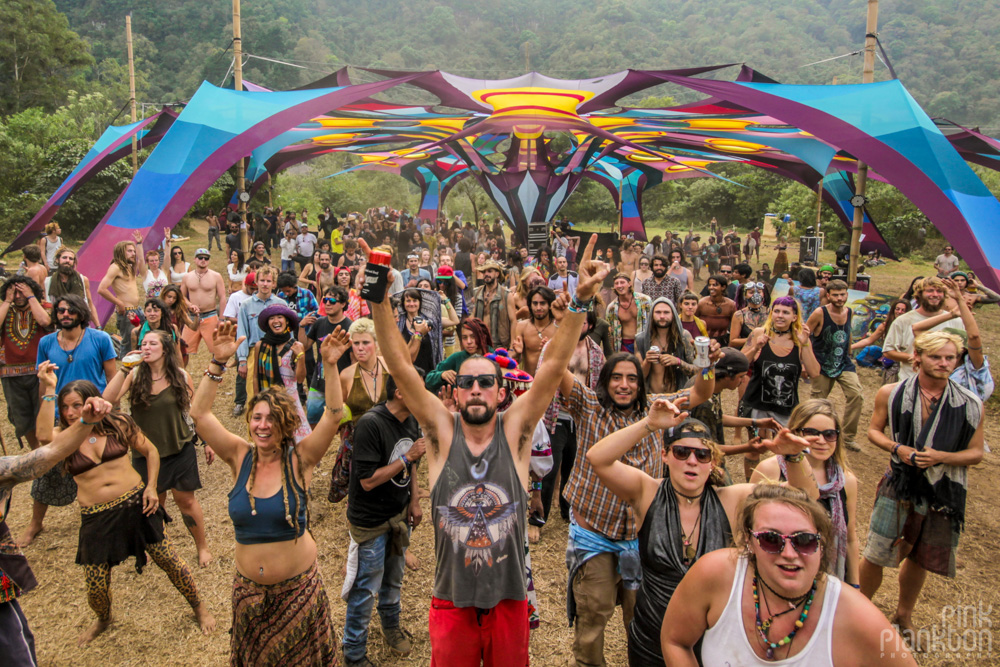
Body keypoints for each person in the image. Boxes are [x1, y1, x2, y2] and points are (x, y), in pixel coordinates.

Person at [365, 233, 607, 665]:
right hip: (451, 601)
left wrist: (580, 303)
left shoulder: (515, 432)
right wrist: (379, 301)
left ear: (500, 393)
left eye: (486, 382)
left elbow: (551, 367)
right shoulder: (440, 433)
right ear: (455, 393)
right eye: (468, 382)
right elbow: (401, 367)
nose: (476, 388)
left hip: (508, 600)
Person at [587, 408, 817, 665]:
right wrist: (649, 424)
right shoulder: (647, 492)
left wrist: (794, 455)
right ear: (665, 456)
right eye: (681, 452)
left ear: (713, 462)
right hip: (652, 638)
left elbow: (804, 499)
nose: (692, 461)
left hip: (712, 641)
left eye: (702, 454)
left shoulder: (732, 500)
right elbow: (598, 458)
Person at [190, 321, 351, 665]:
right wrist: (217, 363)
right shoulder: (239, 456)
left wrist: (332, 366)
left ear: (286, 424)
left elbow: (334, 417)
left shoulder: (301, 460)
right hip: (248, 596)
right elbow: (199, 414)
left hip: (299, 594)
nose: (263, 425)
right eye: (257, 418)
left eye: (272, 419)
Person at [556, 343, 718, 666]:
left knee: (644, 621)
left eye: (632, 378)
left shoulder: (658, 409)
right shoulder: (588, 405)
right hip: (595, 538)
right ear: (604, 381)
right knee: (592, 619)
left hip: (643, 541)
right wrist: (560, 326)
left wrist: (705, 363)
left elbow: (701, 392)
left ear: (641, 384)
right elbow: (555, 367)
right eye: (616, 377)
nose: (624, 385)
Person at [35, 370, 214, 645]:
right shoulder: (64, 437)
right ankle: (104, 618)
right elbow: (43, 435)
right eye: (65, 407)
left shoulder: (117, 423)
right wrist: (48, 388)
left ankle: (199, 607)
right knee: (95, 585)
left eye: (77, 405)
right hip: (95, 516)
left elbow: (151, 451)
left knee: (170, 561)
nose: (71, 412)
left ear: (92, 402)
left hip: (135, 504)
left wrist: (152, 486)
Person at [662, 484, 916, 666]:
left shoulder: (857, 618)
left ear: (821, 545)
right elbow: (675, 640)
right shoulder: (715, 575)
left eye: (804, 541)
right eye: (771, 539)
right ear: (749, 542)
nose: (789, 553)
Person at [859, 331, 984, 646]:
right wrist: (897, 448)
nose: (944, 363)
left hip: (943, 490)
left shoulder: (970, 403)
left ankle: (903, 615)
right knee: (876, 551)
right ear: (918, 356)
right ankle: (859, 611)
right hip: (899, 482)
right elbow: (874, 430)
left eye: (950, 358)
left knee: (920, 556)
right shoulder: (891, 393)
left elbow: (977, 453)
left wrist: (943, 457)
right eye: (936, 357)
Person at [104, 327, 212, 567]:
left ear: (166, 349)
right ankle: (163, 546)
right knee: (155, 502)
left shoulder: (181, 376)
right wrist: (124, 368)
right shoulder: (134, 375)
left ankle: (202, 547)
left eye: (152, 344)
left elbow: (193, 413)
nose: (146, 347)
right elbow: (109, 399)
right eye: (144, 343)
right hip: (145, 453)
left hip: (179, 447)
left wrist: (205, 442)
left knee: (186, 501)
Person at [342, 373, 425, 666]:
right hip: (371, 522)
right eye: (418, 388)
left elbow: (413, 465)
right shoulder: (371, 424)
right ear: (401, 392)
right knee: (366, 588)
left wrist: (413, 501)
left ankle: (391, 626)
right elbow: (366, 482)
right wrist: (405, 459)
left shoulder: (412, 419)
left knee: (394, 578)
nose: (423, 394)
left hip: (398, 516)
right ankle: (353, 653)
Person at [24, 295, 117, 546]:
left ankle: (105, 520)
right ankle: (35, 524)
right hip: (60, 417)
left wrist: (108, 412)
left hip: (94, 415)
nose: (65, 314)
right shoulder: (46, 342)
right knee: (48, 468)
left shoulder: (100, 339)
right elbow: (44, 383)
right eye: (61, 310)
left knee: (98, 468)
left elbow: (112, 379)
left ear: (81, 312)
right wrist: (46, 411)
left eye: (70, 310)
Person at [751, 399, 860, 584]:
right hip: (778, 573)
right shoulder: (770, 470)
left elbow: (850, 538)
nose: (821, 441)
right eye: (811, 433)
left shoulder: (845, 480)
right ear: (794, 432)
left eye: (829, 434)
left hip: (828, 577)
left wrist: (855, 585)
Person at [741, 296, 820, 478]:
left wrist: (805, 343)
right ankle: (750, 484)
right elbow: (739, 364)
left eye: (786, 312)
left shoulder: (799, 339)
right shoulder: (760, 333)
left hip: (786, 407)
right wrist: (755, 348)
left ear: (794, 316)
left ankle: (787, 485)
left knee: (789, 450)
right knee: (756, 448)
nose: (780, 315)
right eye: (776, 311)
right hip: (756, 403)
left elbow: (814, 372)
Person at [327, 318, 389, 504]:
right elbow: (339, 416)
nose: (360, 348)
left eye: (366, 343)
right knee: (361, 493)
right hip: (358, 445)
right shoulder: (346, 375)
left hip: (388, 439)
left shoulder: (390, 366)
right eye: (356, 343)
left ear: (376, 345)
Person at [803, 279, 864, 451]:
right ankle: (812, 433)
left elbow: (848, 332)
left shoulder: (849, 311)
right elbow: (804, 336)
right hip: (821, 362)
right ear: (828, 296)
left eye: (842, 294)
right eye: (835, 295)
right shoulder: (819, 313)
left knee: (856, 395)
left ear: (847, 294)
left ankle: (848, 437)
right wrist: (804, 362)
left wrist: (850, 353)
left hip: (844, 362)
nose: (839, 298)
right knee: (818, 402)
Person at [0, 276, 51, 452]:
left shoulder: (43, 308)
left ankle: (47, 450)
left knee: (43, 411)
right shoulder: (5, 310)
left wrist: (31, 297)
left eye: (22, 290)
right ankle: (35, 451)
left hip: (40, 371)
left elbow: (45, 322)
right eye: (14, 291)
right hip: (10, 373)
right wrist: (7, 300)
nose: (18, 295)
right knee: (21, 416)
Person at [882, 277, 964, 382]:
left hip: (943, 382)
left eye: (939, 291)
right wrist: (919, 358)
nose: (935, 294)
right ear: (919, 294)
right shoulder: (903, 320)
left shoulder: (955, 320)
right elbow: (888, 351)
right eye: (930, 291)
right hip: (910, 380)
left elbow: (961, 352)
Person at [252, 304, 310, 443]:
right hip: (267, 398)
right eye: (272, 318)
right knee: (271, 439)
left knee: (293, 441)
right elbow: (255, 376)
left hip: (289, 400)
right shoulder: (261, 346)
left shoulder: (296, 346)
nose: (276, 321)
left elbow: (300, 379)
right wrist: (256, 401)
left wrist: (300, 357)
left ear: (287, 322)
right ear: (268, 323)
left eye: (279, 317)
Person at [235, 266, 285, 417]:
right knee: (254, 392)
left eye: (268, 281)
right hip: (253, 352)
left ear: (274, 284)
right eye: (262, 280)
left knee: (278, 394)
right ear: (256, 282)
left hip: (277, 352)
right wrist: (242, 360)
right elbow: (242, 333)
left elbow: (288, 331)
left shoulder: (280, 303)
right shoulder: (246, 305)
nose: (265, 284)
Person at [303, 286, 353, 426]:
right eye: (325, 300)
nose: (327, 304)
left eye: (332, 300)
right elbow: (305, 345)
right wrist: (302, 326)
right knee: (312, 419)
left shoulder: (350, 327)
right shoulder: (319, 323)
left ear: (343, 304)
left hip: (341, 383)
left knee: (344, 422)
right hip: (318, 382)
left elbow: (354, 360)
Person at [97, 234, 147, 360]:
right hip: (127, 311)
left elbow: (141, 260)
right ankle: (126, 367)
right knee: (128, 342)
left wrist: (139, 244)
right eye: (129, 251)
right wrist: (119, 303)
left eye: (133, 251)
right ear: (121, 252)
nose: (133, 254)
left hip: (137, 309)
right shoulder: (115, 267)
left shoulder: (129, 267)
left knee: (142, 338)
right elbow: (101, 289)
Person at [635, 297, 695, 394]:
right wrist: (647, 361)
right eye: (658, 312)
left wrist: (678, 361)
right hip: (651, 397)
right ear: (651, 315)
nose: (662, 316)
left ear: (673, 315)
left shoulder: (683, 337)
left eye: (666, 312)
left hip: (678, 396)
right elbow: (637, 377)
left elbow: (696, 371)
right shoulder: (640, 340)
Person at [180, 248, 227, 359]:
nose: (203, 260)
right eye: (200, 258)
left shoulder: (216, 276)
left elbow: (222, 297)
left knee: (217, 350)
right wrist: (190, 305)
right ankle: (181, 374)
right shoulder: (187, 277)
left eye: (206, 258)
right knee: (183, 350)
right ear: (195, 259)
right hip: (192, 317)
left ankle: (215, 373)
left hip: (210, 315)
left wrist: (221, 319)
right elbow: (181, 296)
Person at [424, 318, 493, 394]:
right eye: (464, 338)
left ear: (483, 336)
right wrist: (441, 375)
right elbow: (429, 380)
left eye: (473, 336)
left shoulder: (493, 357)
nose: (469, 342)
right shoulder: (456, 358)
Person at [851, 299, 911, 384]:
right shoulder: (885, 325)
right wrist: (850, 347)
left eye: (903, 310)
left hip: (905, 361)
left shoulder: (912, 326)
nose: (899, 312)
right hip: (891, 362)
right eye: (897, 309)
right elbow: (869, 340)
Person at [511, 285, 559, 377]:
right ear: (530, 305)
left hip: (551, 384)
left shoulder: (558, 327)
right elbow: (514, 361)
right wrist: (517, 353)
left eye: (542, 303)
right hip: (529, 382)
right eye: (535, 303)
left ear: (550, 305)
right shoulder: (521, 326)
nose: (538, 308)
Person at [44, 248, 100, 324]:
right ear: (57, 260)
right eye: (64, 258)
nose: (67, 260)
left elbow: (89, 304)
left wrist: (98, 326)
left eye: (71, 259)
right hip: (57, 324)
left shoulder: (83, 280)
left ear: (73, 262)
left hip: (78, 323)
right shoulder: (47, 282)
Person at [471, 259, 515, 349]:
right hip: (481, 343)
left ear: (497, 274)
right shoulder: (477, 292)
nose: (486, 274)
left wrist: (511, 347)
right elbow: (473, 315)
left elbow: (513, 321)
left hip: (500, 344)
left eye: (490, 271)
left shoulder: (506, 294)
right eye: (484, 272)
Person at [607, 274, 651, 354]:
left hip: (643, 342)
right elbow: (611, 333)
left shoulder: (645, 301)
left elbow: (653, 321)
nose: (619, 285)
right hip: (624, 345)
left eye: (622, 282)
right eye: (616, 283)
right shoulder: (612, 308)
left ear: (629, 284)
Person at [696, 274, 736, 345]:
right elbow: (693, 320)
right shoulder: (701, 303)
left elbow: (735, 324)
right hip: (703, 340)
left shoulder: (731, 305)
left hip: (723, 340)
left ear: (723, 287)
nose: (711, 287)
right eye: (709, 285)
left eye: (715, 285)